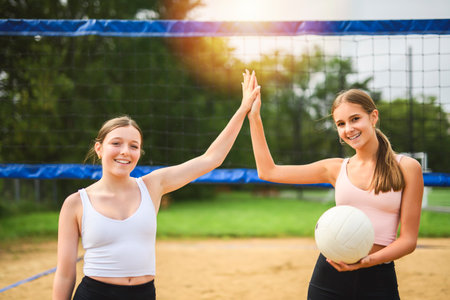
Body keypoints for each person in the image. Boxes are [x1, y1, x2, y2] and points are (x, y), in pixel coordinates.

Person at [52, 70, 261, 300]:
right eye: (116, 143)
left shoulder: (152, 185)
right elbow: (64, 274)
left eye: (133, 146)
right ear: (99, 148)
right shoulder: (75, 203)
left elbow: (210, 159)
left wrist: (243, 110)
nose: (125, 151)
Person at [247, 84, 423, 299]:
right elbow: (268, 171)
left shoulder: (407, 167)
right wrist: (254, 117)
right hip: (331, 273)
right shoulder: (335, 168)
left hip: (378, 276)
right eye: (341, 123)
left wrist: (366, 262)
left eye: (355, 119)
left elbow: (408, 240)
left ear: (373, 117)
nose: (348, 128)